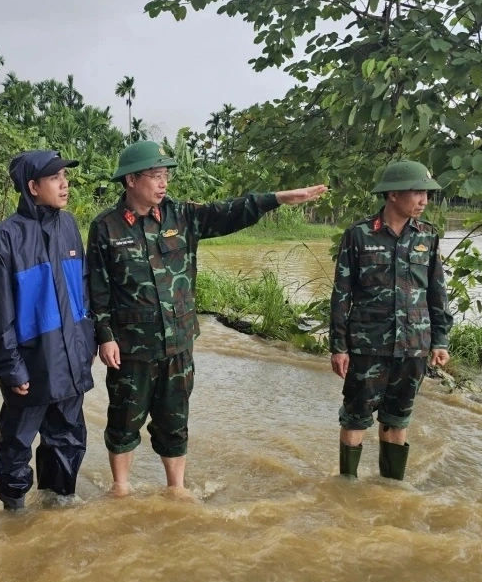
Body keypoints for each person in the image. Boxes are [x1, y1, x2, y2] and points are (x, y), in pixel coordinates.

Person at [87, 141, 327, 497]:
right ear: (132, 180)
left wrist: (276, 198)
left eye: (165, 174)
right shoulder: (106, 227)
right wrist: (104, 335)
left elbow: (230, 211)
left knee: (174, 418)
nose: (163, 182)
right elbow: (97, 288)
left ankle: (176, 488)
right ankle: (121, 488)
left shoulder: (183, 215)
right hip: (131, 346)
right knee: (124, 419)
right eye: (155, 175)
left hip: (178, 341)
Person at [0, 150, 97, 510]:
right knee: (16, 445)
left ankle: (56, 514)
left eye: (65, 176)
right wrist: (10, 367)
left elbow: (82, 290)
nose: (65, 184)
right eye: (55, 178)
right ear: (33, 186)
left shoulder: (69, 225)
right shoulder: (5, 239)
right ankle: (14, 518)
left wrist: (85, 342)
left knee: (68, 441)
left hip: (71, 361)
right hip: (31, 365)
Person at [329, 160, 454, 481]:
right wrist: (338, 347)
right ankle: (347, 487)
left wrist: (440, 340)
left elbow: (437, 293)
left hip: (413, 346)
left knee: (397, 422)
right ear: (393, 194)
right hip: (367, 346)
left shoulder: (428, 237)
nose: (424, 200)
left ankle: (390, 489)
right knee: (355, 419)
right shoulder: (358, 236)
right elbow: (342, 295)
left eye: (427, 193)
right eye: (417, 192)